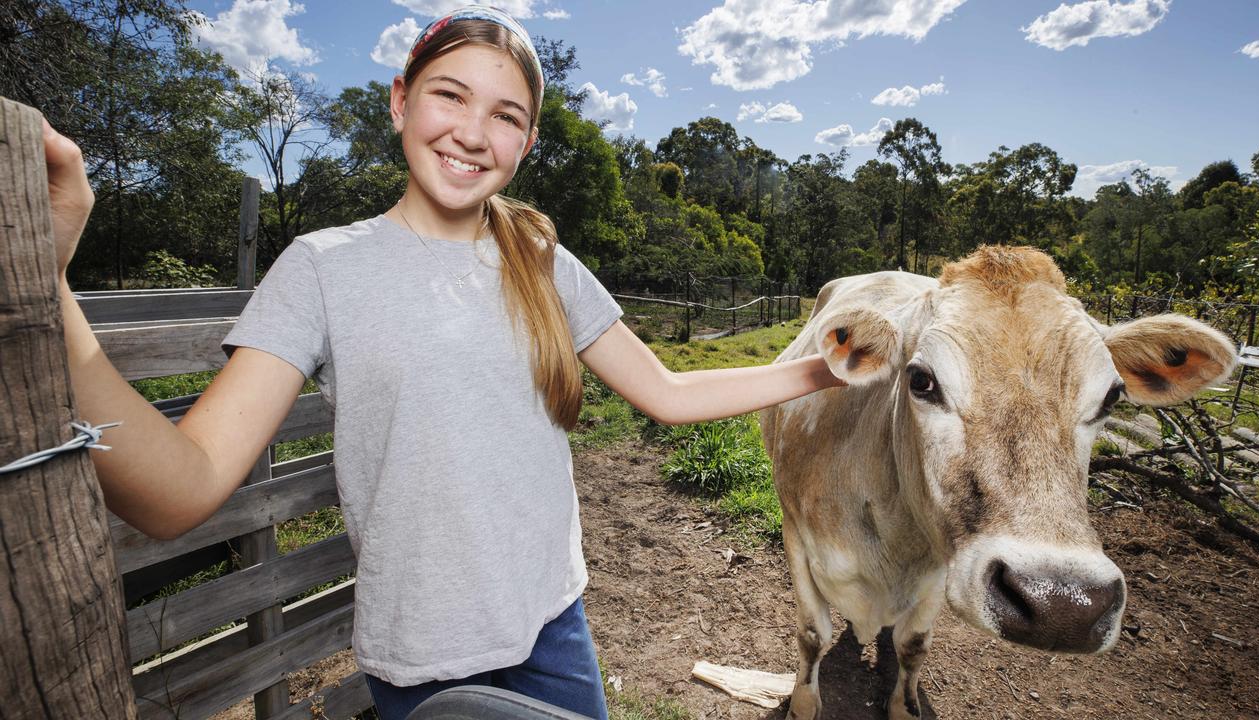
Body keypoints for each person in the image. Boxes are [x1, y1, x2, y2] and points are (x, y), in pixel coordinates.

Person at [45, 6, 843, 720]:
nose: (471, 131)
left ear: (527, 143)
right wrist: (47, 287)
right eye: (449, 95)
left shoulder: (544, 261)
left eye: (505, 116)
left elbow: (666, 392)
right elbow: (179, 491)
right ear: (400, 101)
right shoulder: (322, 268)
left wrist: (820, 371)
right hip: (424, 663)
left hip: (553, 630)